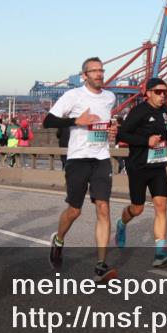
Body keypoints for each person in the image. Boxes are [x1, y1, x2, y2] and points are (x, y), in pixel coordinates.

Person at [43, 57, 118, 282]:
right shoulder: (72, 96)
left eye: (101, 71)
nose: (99, 74)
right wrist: (78, 121)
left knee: (103, 208)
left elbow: (104, 124)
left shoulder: (109, 98)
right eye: (94, 71)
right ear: (84, 75)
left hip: (101, 158)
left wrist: (111, 131)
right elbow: (48, 121)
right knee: (74, 211)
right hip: (78, 159)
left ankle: (100, 266)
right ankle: (58, 240)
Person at [114, 77, 167, 267]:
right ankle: (122, 223)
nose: (162, 96)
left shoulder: (165, 111)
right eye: (158, 92)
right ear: (148, 93)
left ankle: (160, 253)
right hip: (138, 166)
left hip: (158, 166)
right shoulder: (138, 111)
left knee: (161, 206)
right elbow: (122, 134)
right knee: (137, 208)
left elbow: (162, 131)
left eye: (164, 92)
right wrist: (146, 141)